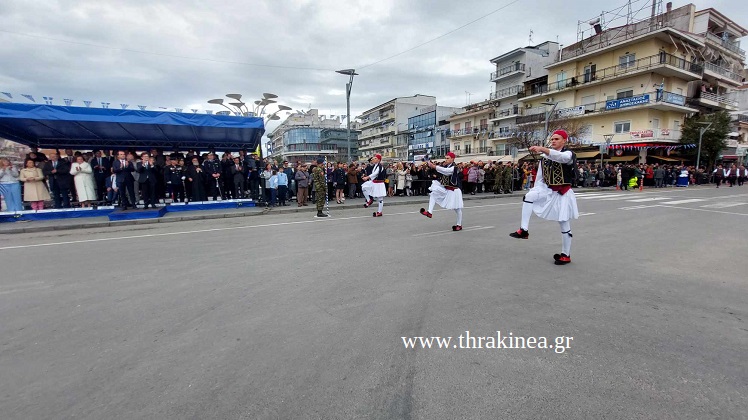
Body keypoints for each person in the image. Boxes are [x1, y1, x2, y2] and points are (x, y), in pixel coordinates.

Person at [509, 129, 579, 265]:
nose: (553, 141)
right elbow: (540, 178)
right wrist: (536, 191)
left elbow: (561, 158)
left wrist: (543, 149)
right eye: (552, 139)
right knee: (529, 196)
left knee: (564, 223)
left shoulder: (569, 154)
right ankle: (524, 230)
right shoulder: (544, 158)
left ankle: (566, 254)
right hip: (547, 190)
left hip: (563, 193)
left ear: (564, 141)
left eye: (557, 139)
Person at [419, 152, 464, 231]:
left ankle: (459, 225)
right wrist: (429, 162)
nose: (446, 160)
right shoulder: (447, 166)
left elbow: (445, 171)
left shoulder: (454, 167)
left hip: (454, 191)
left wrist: (434, 166)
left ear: (453, 159)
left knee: (457, 209)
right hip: (447, 189)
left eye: (448, 158)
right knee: (433, 193)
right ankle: (429, 212)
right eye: (445, 158)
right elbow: (441, 171)